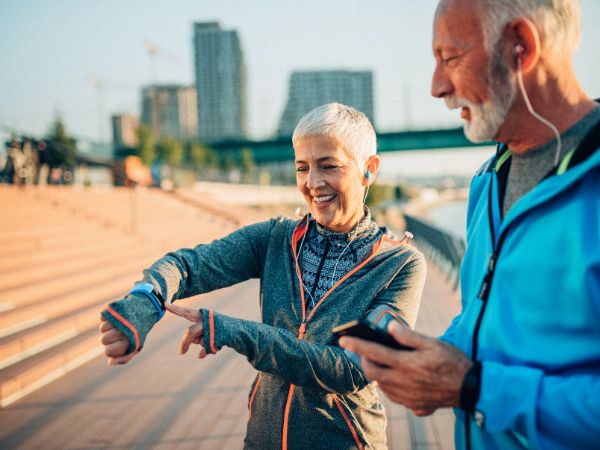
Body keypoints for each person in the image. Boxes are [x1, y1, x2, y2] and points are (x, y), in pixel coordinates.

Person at [340, 0, 600, 449]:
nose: (437, 86)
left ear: (522, 45)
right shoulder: (487, 180)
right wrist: (427, 359)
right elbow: (487, 327)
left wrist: (473, 388)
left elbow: (479, 383)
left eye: (451, 58)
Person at [99, 103, 426, 449]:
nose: (313, 183)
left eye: (328, 166)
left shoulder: (401, 265)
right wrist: (144, 300)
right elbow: (187, 266)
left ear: (369, 170)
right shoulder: (276, 238)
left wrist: (233, 331)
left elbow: (350, 369)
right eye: (302, 168)